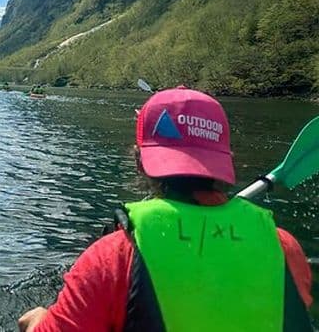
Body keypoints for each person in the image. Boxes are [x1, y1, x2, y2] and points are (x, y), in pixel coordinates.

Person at [19, 86, 313, 332]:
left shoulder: (113, 255)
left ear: (139, 162)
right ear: (226, 162)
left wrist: (37, 320)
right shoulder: (286, 248)